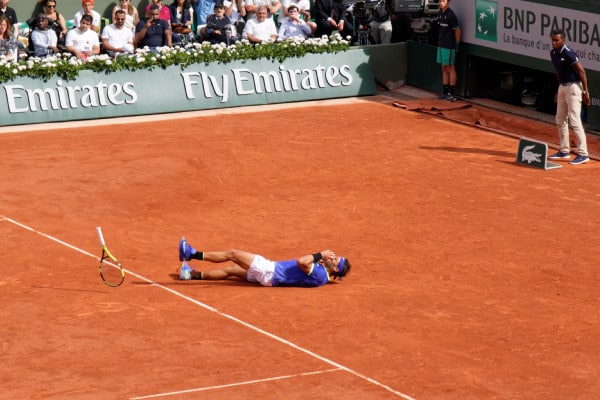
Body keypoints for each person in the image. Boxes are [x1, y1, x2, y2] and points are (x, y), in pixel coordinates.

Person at [178, 237, 351, 287]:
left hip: (269, 270)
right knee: (231, 270)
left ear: (335, 268)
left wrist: (319, 254)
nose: (332, 258)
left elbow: (301, 262)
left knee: (232, 254)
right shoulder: (322, 276)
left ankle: (191, 254)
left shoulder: (320, 274)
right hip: (270, 277)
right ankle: (190, 274)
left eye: (335, 259)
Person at [548, 28, 591, 165]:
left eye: (557, 40)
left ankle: (583, 154)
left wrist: (586, 92)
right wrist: (559, 89)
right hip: (563, 87)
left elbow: (582, 72)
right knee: (560, 119)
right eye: (552, 40)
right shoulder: (553, 53)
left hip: (574, 87)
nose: (554, 42)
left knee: (575, 121)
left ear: (563, 40)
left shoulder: (568, 53)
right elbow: (558, 71)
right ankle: (564, 151)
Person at [436, 0, 460, 102]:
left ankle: (451, 94)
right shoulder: (440, 13)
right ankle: (445, 92)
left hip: (449, 46)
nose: (441, 3)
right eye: (440, 1)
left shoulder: (451, 15)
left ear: (448, 2)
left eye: (444, 1)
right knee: (444, 68)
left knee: (451, 68)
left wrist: (457, 45)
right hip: (441, 45)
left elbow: (458, 31)